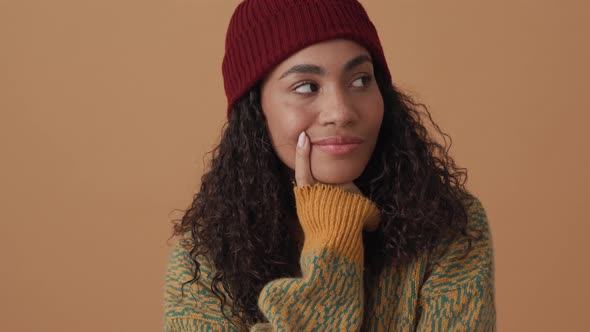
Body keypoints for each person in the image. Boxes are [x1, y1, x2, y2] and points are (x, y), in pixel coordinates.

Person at [164, 0, 496, 331]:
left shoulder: (450, 228)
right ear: (255, 111)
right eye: (306, 86)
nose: (341, 111)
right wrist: (334, 243)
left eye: (360, 81)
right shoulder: (205, 255)